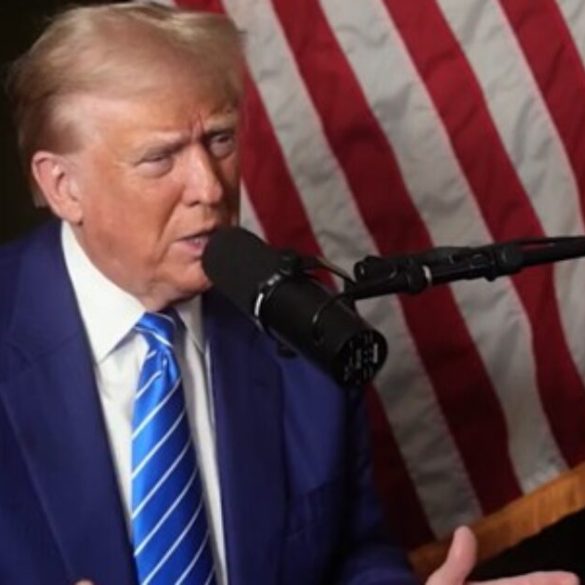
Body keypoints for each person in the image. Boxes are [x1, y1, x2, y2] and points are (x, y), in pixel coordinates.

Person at [0, 2, 579, 585]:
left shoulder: (306, 327)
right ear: (63, 186)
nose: (210, 187)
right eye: (160, 158)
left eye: (220, 139)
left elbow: (354, 555)